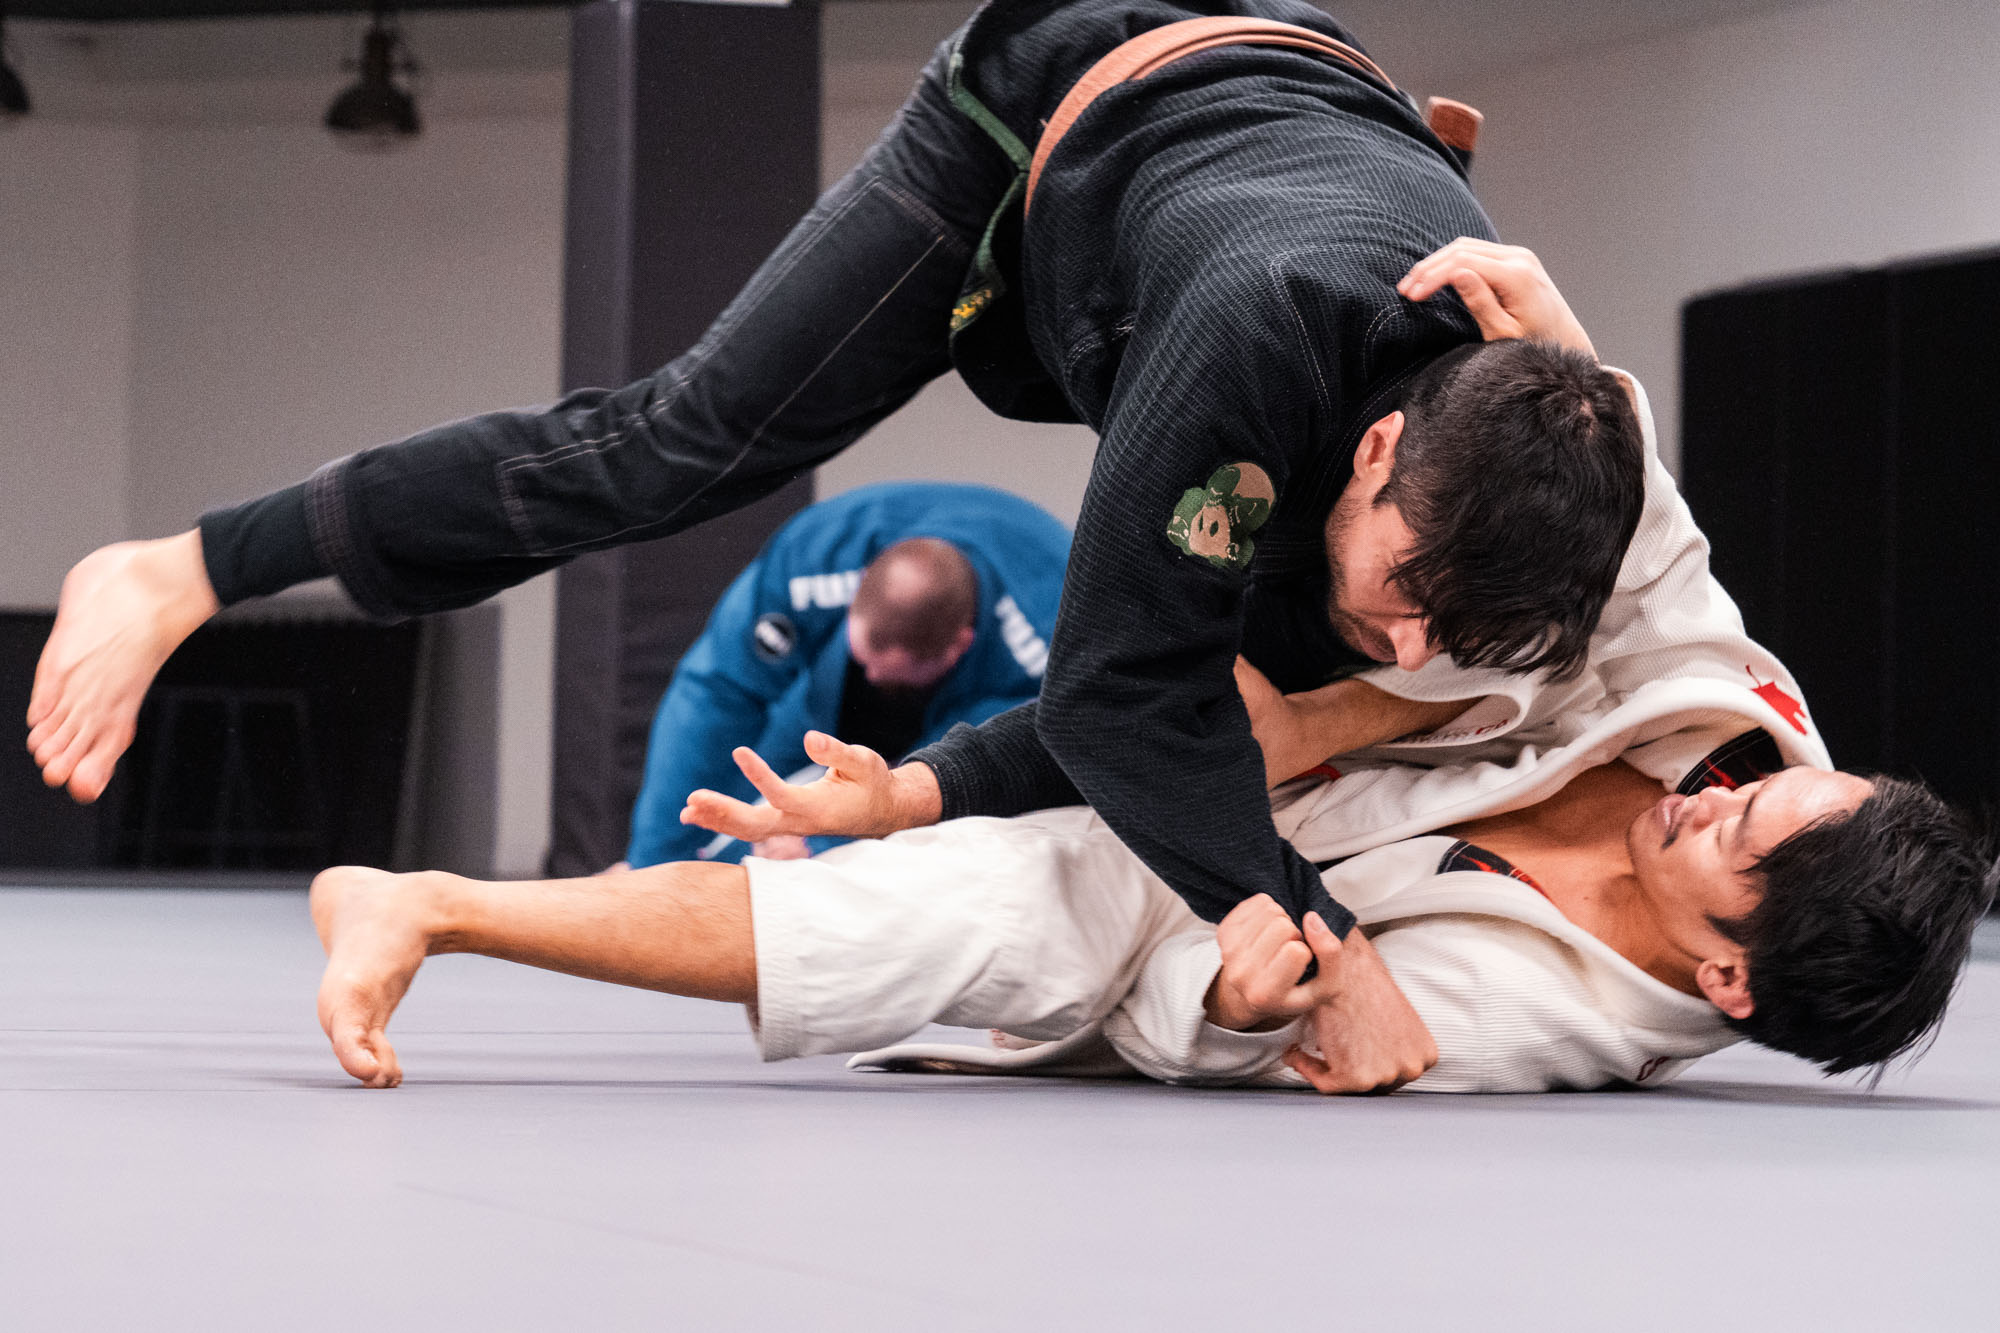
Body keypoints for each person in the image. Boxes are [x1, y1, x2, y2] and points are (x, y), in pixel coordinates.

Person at [25, 0, 1647, 1090]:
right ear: (1376, 451)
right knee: (680, 443)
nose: (1410, 649)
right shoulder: (1258, 338)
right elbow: (1120, 695)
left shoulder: (1552, 445)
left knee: (1285, 651)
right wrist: (1312, 930)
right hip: (1056, 106)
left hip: (1288, 144)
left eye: (1455, 632)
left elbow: (1170, 699)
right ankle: (186, 563)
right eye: (1412, 592)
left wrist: (917, 791)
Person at [306, 677, 1994, 1093]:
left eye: (1740, 839)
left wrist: (1243, 1001)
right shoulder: (1738, 715)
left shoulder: (1541, 1018)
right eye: (1762, 783)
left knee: (928, 914)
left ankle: (431, 902)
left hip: (1174, 893)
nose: (1720, 797)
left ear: (1729, 978)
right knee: (933, 823)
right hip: (1257, 693)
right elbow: (1650, 536)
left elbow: (1213, 1020)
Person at [623, 482, 1068, 867]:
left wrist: (819, 845)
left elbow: (995, 778)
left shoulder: (1054, 633)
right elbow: (715, 693)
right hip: (821, 703)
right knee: (746, 801)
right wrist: (653, 866)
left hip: (980, 716)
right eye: (864, 659)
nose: (873, 676)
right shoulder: (822, 552)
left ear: (959, 646)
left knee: (823, 856)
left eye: (891, 675)